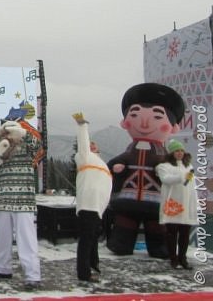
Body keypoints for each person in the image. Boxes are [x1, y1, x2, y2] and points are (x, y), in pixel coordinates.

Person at [107, 83, 185, 259]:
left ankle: (161, 247)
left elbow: (175, 172)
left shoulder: (163, 155)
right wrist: (117, 166)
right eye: (135, 114)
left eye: (158, 116)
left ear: (173, 127)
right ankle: (120, 244)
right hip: (129, 197)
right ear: (125, 122)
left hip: (156, 199)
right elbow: (117, 161)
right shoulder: (130, 151)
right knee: (125, 223)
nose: (144, 122)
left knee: (157, 226)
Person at [0, 118, 42, 291]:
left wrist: (23, 133)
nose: (9, 135)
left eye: (11, 131)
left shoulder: (27, 147)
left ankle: (32, 275)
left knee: (26, 238)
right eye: (6, 132)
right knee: (2, 236)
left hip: (24, 200)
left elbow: (37, 146)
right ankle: (2, 269)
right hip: (3, 200)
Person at [72, 113, 112, 283]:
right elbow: (83, 143)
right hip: (89, 203)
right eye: (90, 144)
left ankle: (93, 264)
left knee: (93, 237)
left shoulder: (100, 163)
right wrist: (83, 126)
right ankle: (84, 273)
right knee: (87, 239)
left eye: (94, 144)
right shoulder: (84, 157)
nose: (91, 146)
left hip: (97, 206)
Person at [155, 139, 197, 270]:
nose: (179, 153)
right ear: (171, 152)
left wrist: (186, 179)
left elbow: (189, 184)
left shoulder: (188, 166)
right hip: (172, 203)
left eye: (181, 150)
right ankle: (173, 259)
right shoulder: (163, 166)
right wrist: (181, 177)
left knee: (184, 234)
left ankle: (183, 258)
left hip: (187, 204)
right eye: (176, 150)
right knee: (172, 233)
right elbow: (165, 180)